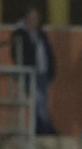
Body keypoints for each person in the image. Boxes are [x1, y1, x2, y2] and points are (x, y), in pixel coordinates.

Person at [10, 7, 56, 136]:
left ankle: (41, 129)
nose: (34, 20)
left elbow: (48, 54)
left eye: (36, 18)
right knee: (39, 102)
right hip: (31, 73)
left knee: (41, 102)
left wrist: (51, 71)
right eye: (31, 18)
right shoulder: (20, 35)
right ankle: (47, 129)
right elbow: (16, 53)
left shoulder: (41, 34)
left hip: (43, 73)